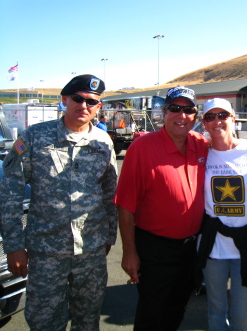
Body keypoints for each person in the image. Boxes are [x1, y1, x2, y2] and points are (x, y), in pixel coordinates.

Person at [0, 74, 118, 330]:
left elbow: (110, 194)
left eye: (92, 101)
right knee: (44, 322)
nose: (84, 106)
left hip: (91, 251)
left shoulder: (103, 142)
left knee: (88, 320)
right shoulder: (34, 138)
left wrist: (109, 237)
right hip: (45, 253)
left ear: (99, 106)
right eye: (78, 98)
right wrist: (13, 245)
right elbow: (10, 192)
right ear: (65, 99)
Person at [113, 86, 209, 331]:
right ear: (163, 113)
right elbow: (125, 206)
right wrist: (129, 252)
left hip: (191, 248)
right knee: (152, 315)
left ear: (195, 117)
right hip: (155, 249)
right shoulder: (142, 148)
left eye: (188, 110)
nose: (182, 115)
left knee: (177, 309)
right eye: (175, 109)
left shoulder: (201, 144)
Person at [196, 98, 247, 331]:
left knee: (241, 318)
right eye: (210, 117)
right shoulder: (200, 155)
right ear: (204, 124)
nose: (217, 121)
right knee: (216, 312)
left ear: (233, 118)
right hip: (213, 248)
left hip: (246, 248)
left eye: (222, 115)